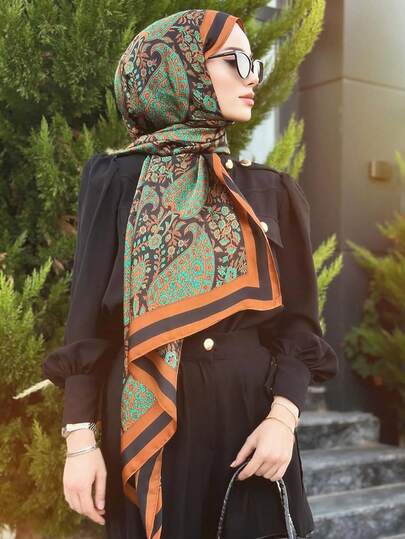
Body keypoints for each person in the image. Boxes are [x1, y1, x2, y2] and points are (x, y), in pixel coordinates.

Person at [42, 8, 339, 539]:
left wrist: (283, 419)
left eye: (255, 64)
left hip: (252, 426)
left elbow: (297, 326)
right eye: (235, 60)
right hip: (144, 416)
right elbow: (87, 323)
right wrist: (80, 440)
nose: (252, 77)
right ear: (179, 69)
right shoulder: (116, 179)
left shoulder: (270, 189)